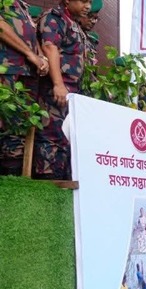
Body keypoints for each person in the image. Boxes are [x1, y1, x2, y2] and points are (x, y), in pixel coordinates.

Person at [35, 0, 91, 180]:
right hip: (56, 90)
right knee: (52, 137)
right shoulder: (54, 17)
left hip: (71, 93)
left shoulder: (73, 23)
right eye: (84, 1)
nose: (88, 6)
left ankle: (61, 180)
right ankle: (47, 183)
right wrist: (58, 84)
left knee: (66, 138)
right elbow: (50, 47)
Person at [0, 0, 49, 175]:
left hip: (27, 72)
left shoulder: (22, 5)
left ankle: (13, 176)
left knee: (20, 128)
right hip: (8, 69)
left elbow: (31, 36)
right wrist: (30, 54)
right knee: (8, 125)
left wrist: (42, 58)